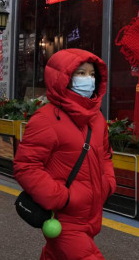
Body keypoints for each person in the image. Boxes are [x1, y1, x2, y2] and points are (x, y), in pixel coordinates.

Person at [14, 48, 116, 259]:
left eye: (92, 74)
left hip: (91, 214)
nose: (88, 79)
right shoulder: (45, 120)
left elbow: (106, 155)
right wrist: (62, 198)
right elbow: (26, 166)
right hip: (63, 219)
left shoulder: (97, 119)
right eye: (80, 73)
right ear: (64, 78)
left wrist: (108, 184)